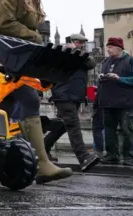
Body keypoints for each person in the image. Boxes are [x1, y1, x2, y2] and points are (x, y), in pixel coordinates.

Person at [0, 0, 72, 183]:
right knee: (22, 100)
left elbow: (29, 21)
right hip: (3, 57)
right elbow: (3, 23)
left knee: (9, 103)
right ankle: (39, 163)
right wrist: (33, 35)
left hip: (18, 57)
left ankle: (20, 161)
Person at [44, 34, 100, 172]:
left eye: (82, 43)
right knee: (74, 126)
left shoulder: (79, 56)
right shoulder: (60, 56)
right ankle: (84, 158)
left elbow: (91, 63)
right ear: (69, 42)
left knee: (64, 125)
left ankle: (43, 150)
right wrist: (65, 51)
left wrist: (77, 52)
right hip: (64, 96)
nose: (81, 44)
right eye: (78, 42)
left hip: (74, 97)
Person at [97, 37, 133, 166]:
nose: (108, 49)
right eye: (107, 47)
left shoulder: (132, 61)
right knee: (109, 130)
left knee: (127, 130)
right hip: (108, 102)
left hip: (126, 103)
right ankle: (112, 155)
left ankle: (128, 156)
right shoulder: (106, 62)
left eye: (110, 47)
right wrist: (102, 78)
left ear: (119, 48)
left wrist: (119, 79)